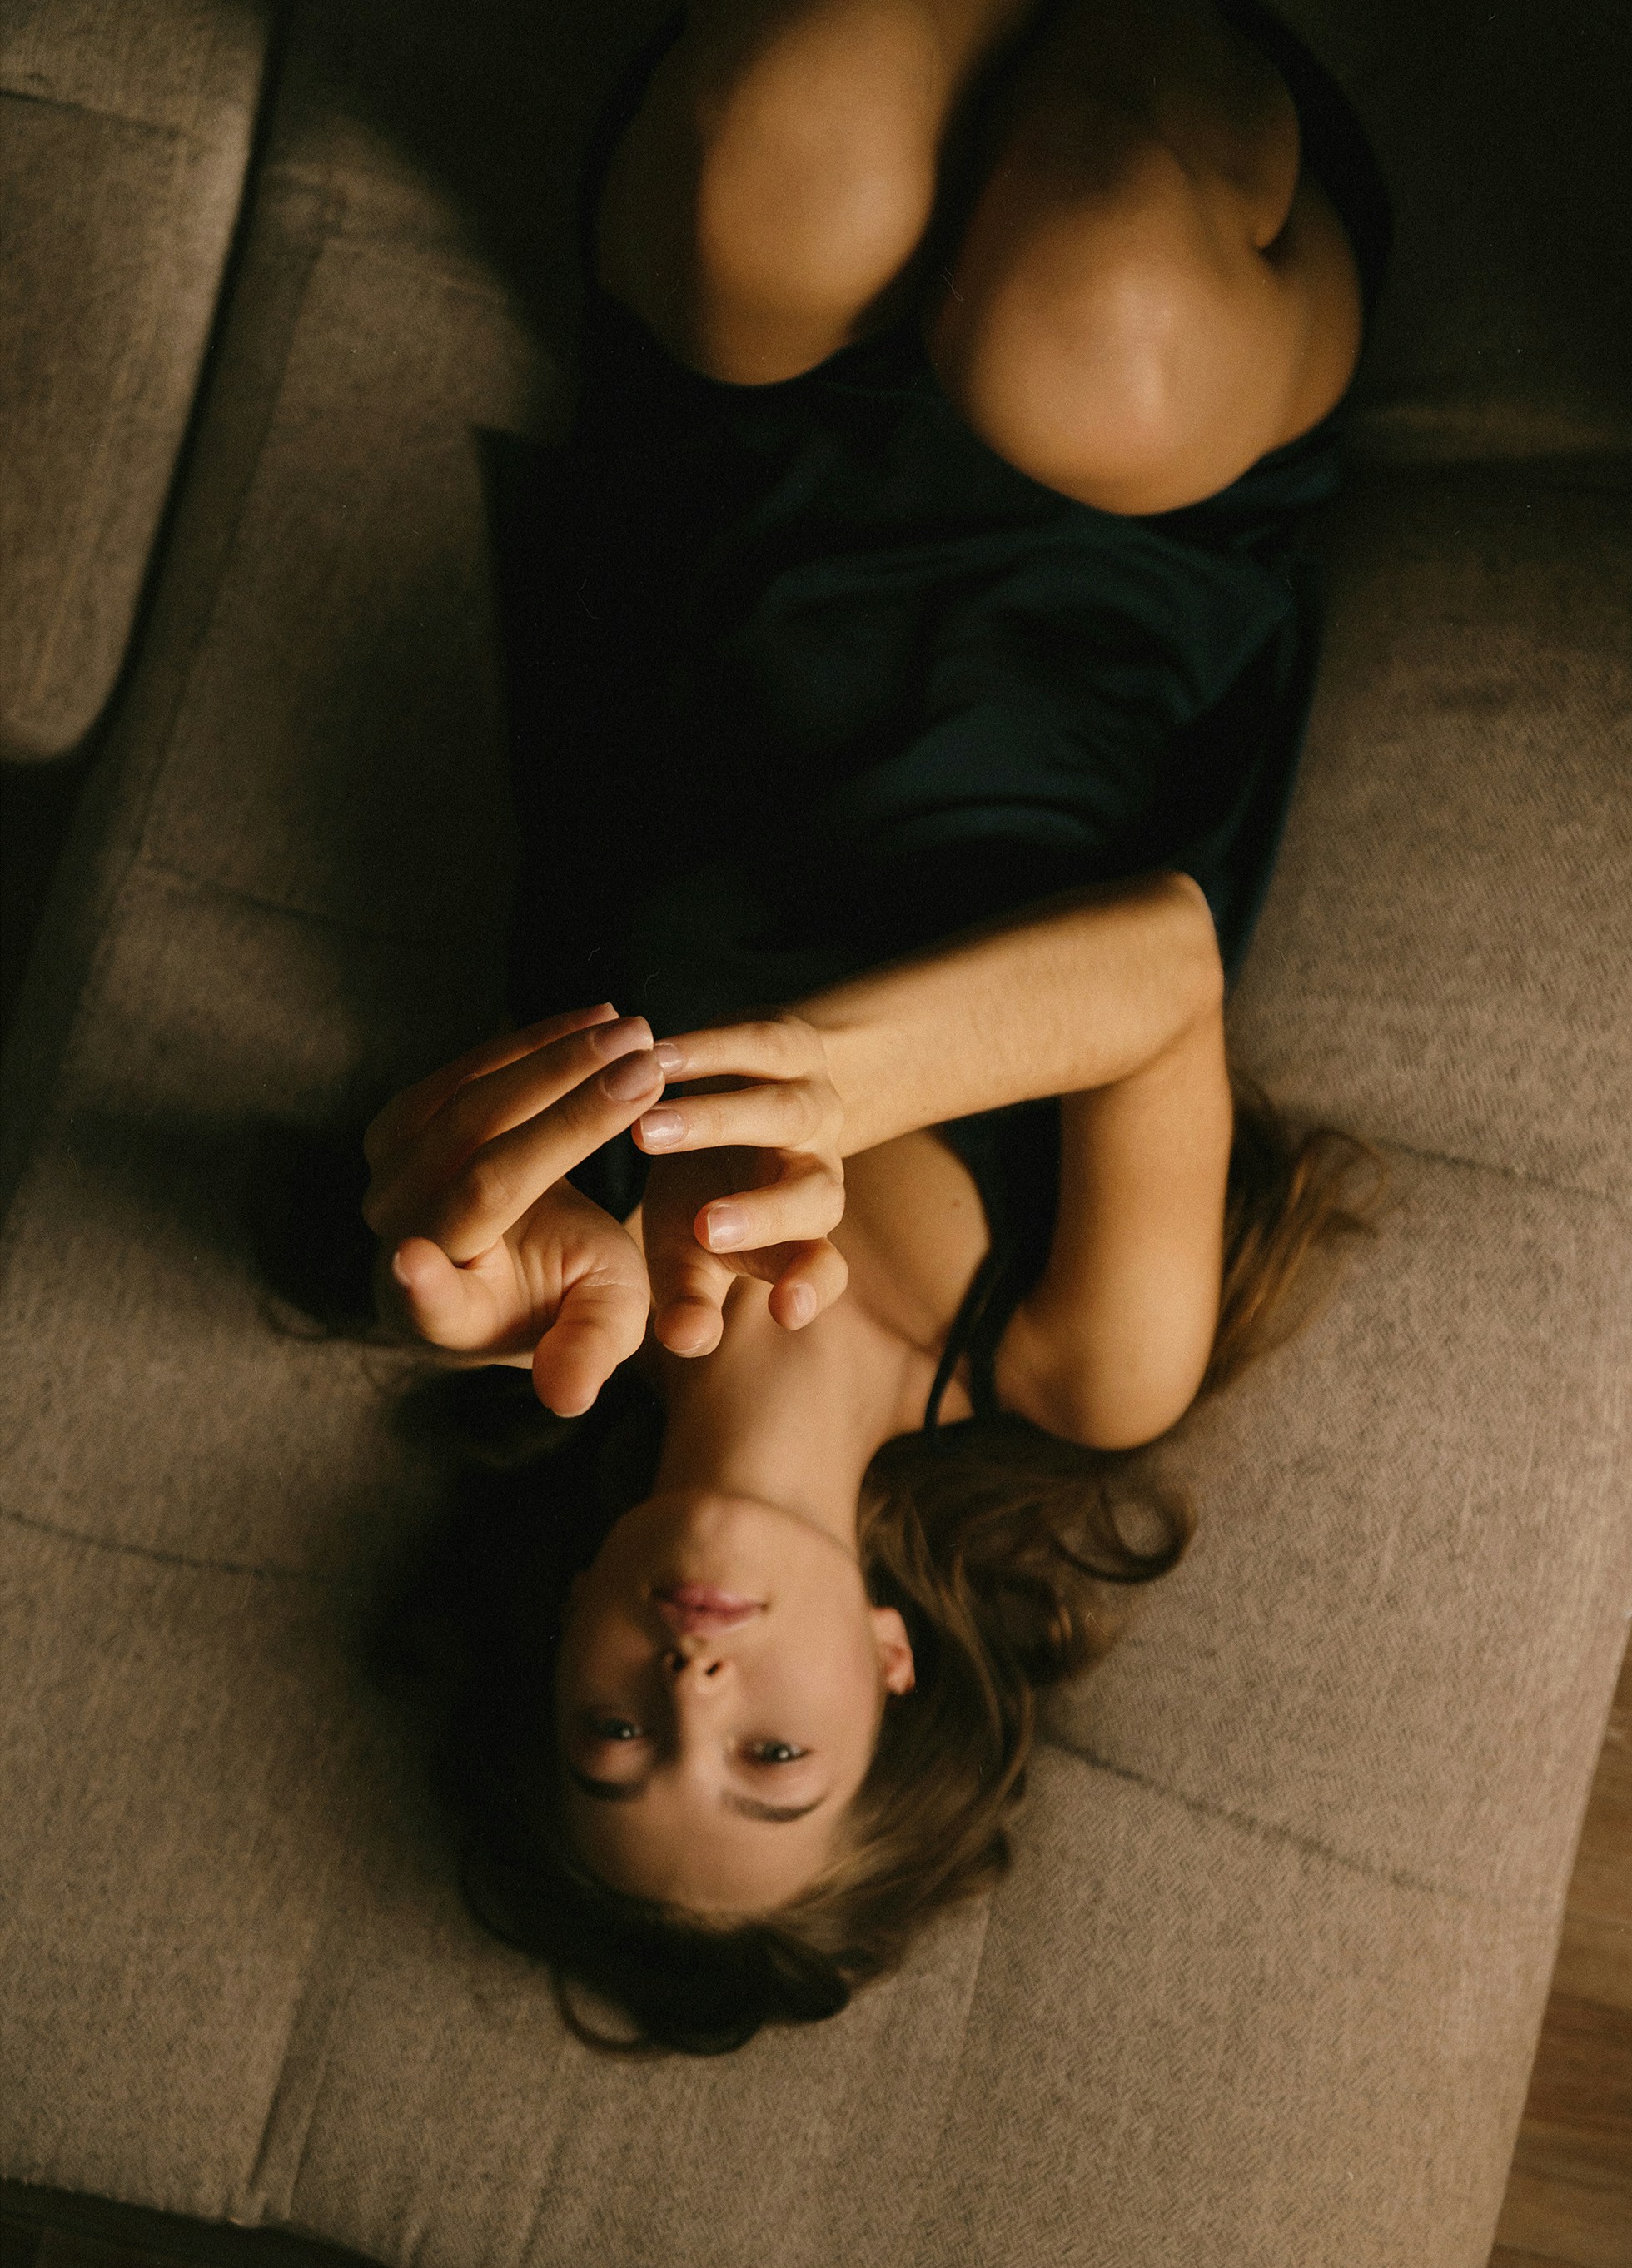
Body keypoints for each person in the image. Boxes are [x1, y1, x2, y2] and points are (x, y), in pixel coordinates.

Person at [362, 0, 1389, 2052]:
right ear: (892, 1669)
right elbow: (1160, 974)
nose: (690, 1687)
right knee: (1084, 314)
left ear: (559, 1637)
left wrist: (430, 1185)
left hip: (748, 428)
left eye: (609, 1734)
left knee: (777, 170)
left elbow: (409, 1177)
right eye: (768, 1759)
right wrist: (851, 1081)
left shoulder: (558, 1287)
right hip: (1140, 517)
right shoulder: (1073, 1365)